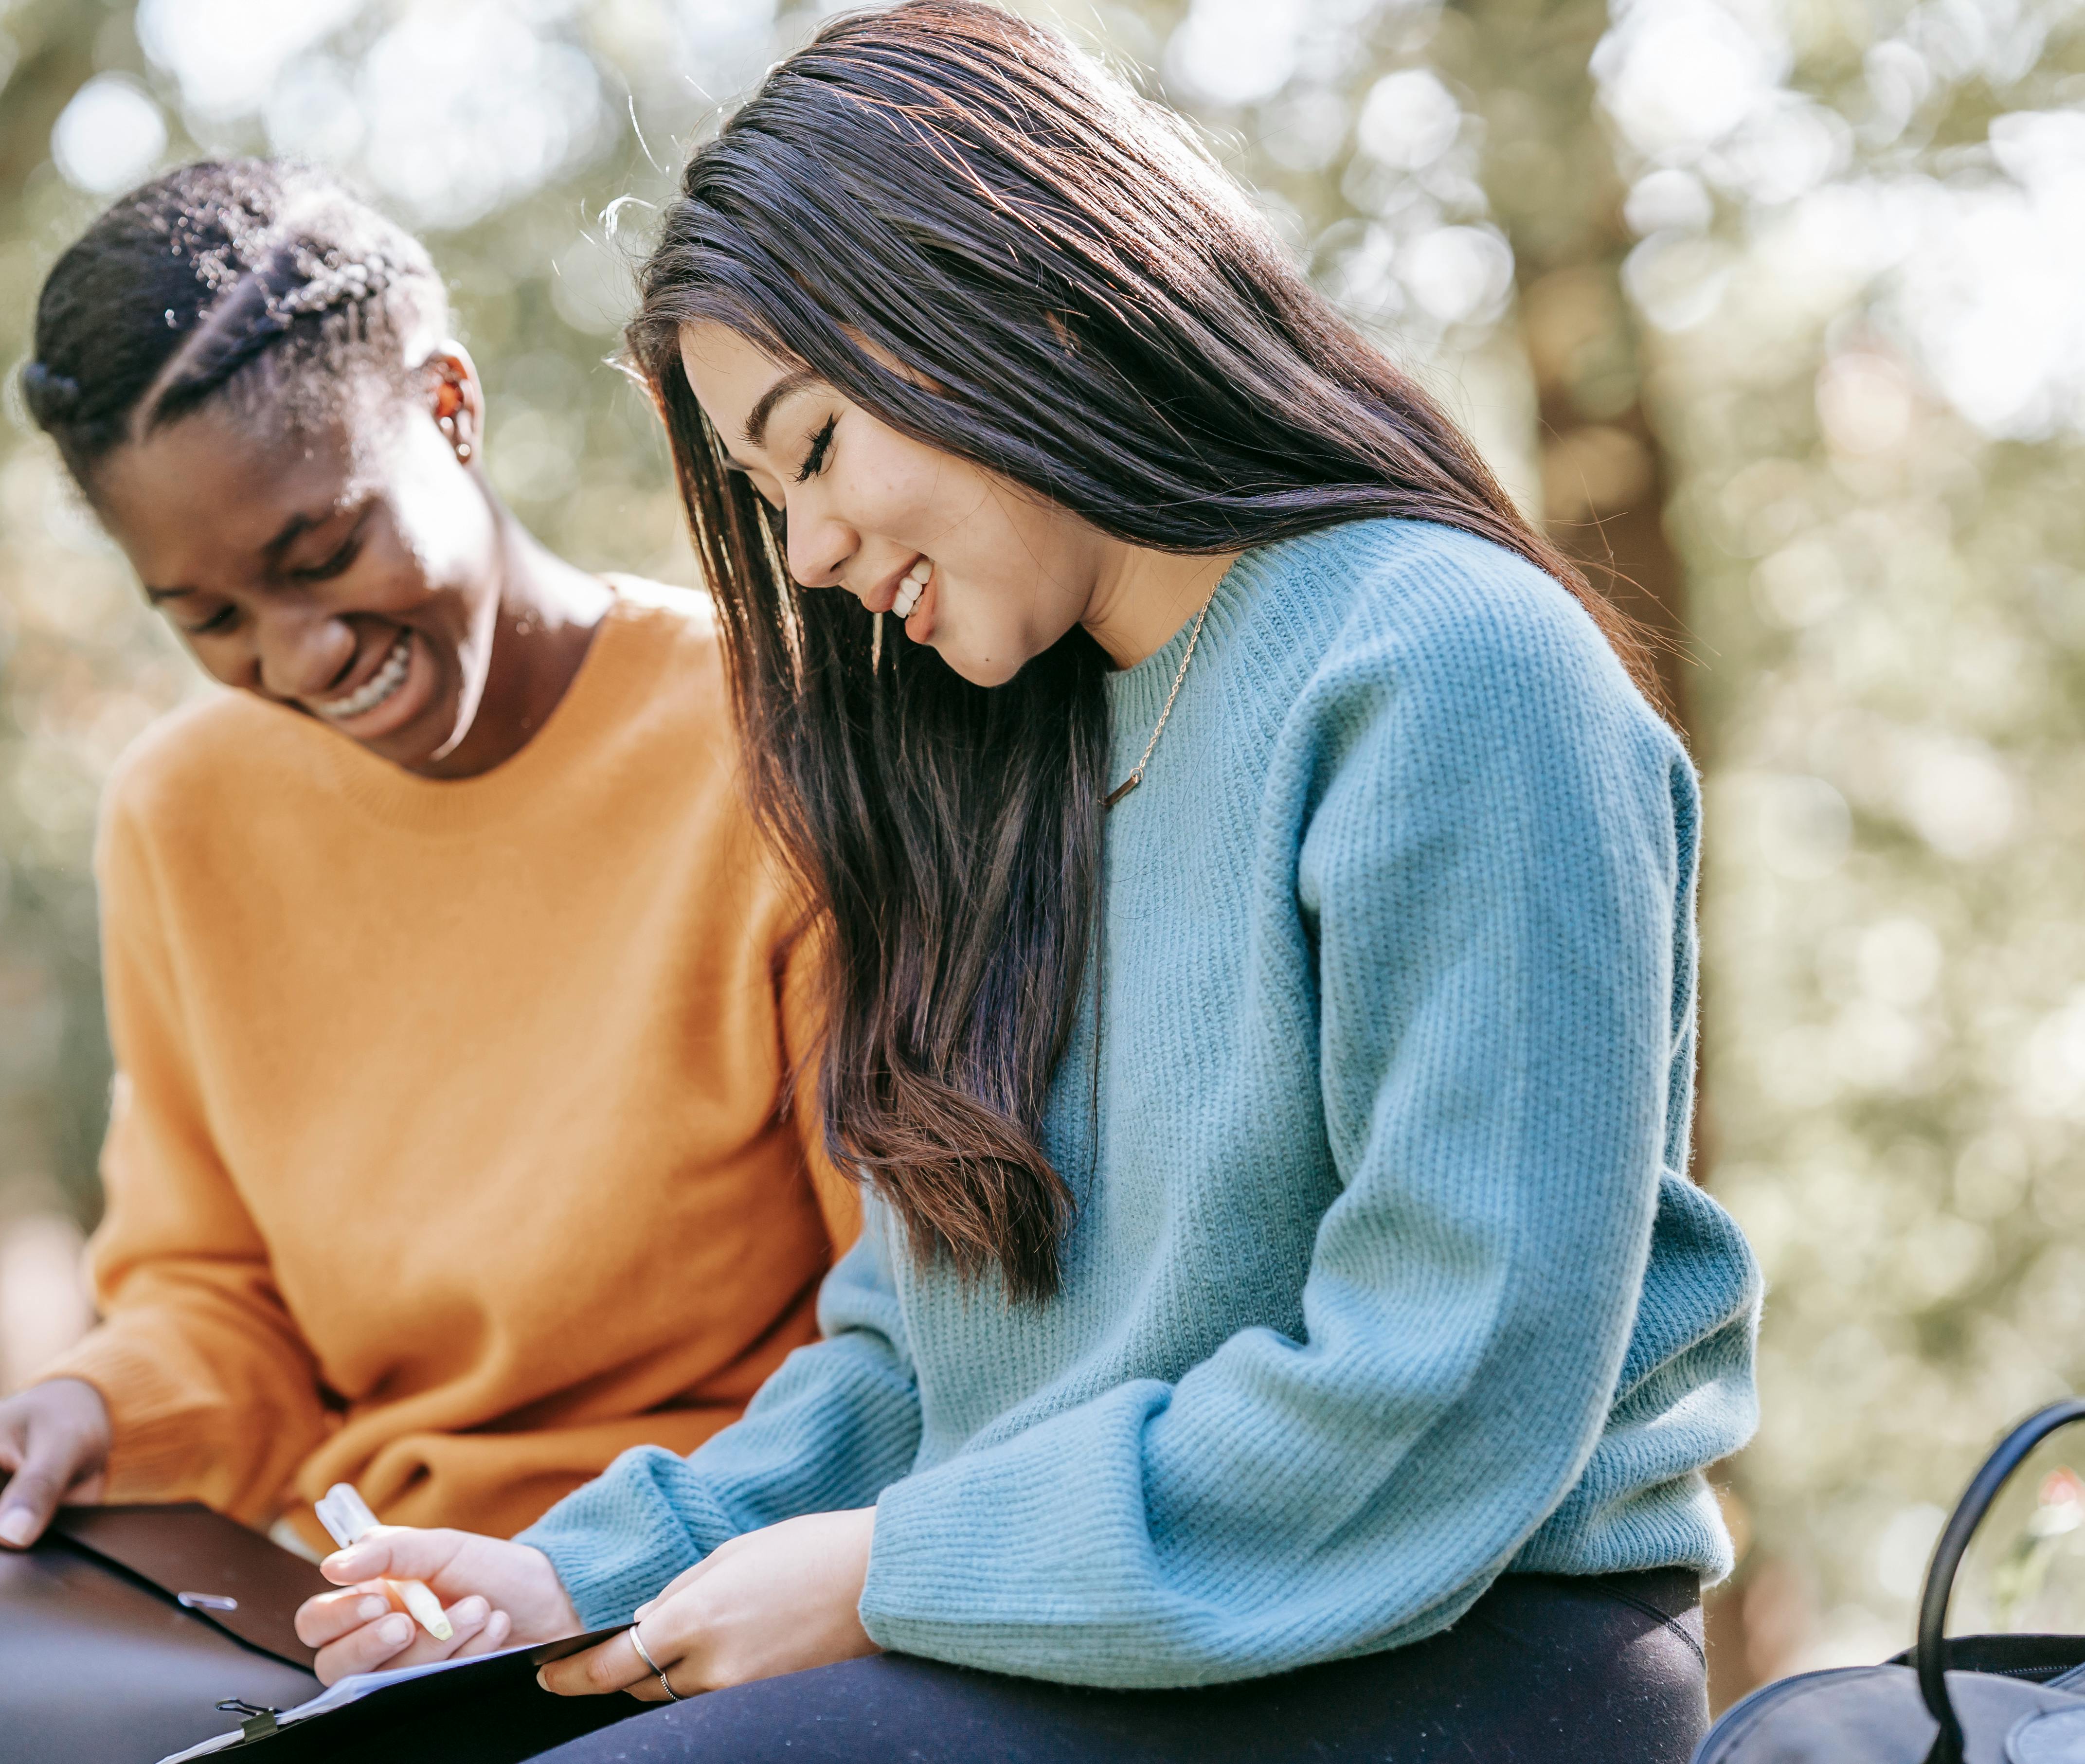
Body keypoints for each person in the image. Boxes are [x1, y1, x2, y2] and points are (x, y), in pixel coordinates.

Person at [289, 5, 1763, 1760]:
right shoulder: (1001, 767)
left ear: (1023, 300)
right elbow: (924, 1361)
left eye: (817, 447)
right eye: (768, 501)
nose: (812, 555)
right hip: (1070, 1636)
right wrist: (576, 1576)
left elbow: (1445, 1380)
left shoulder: (1449, 667)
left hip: (1458, 1647)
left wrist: (884, 1571)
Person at [0, 161, 855, 1684]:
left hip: (722, 1600)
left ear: (451, 408)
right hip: (377, 1631)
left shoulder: (779, 746)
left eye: (322, 552)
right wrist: (90, 1413)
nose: (300, 654)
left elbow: (917, 1328)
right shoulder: (180, 816)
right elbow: (225, 1304)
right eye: (207, 618)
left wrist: (581, 1570)